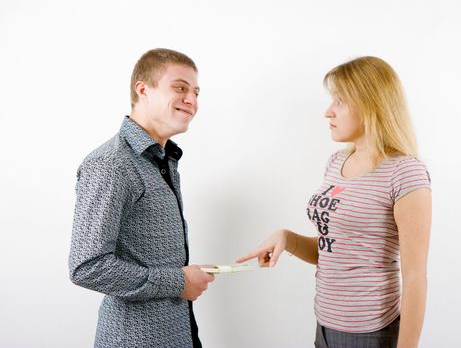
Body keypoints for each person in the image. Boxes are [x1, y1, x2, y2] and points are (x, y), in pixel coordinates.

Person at [237, 56, 432, 348]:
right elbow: (336, 250)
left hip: (371, 333)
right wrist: (286, 238)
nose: (328, 112)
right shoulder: (336, 162)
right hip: (325, 325)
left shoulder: (405, 172)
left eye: (339, 101)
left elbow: (415, 275)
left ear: (369, 104)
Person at [69, 48, 214, 348]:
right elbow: (87, 266)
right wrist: (179, 281)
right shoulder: (111, 164)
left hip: (178, 332)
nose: (192, 100)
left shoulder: (162, 158)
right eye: (180, 88)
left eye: (196, 92)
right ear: (143, 90)